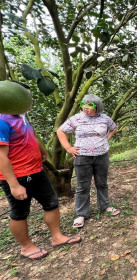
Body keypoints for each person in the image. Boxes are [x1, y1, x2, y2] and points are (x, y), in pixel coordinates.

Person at [0, 81, 81, 260]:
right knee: (19, 212)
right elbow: (1, 156)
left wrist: (42, 151)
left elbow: (29, 135)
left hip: (35, 170)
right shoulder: (1, 121)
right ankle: (26, 247)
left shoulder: (20, 115)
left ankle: (57, 237)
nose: (31, 100)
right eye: (27, 96)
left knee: (51, 203)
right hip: (18, 176)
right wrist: (13, 185)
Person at [57, 94, 119, 228]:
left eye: (90, 105)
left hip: (101, 156)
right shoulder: (77, 118)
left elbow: (114, 128)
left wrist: (105, 140)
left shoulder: (105, 118)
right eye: (84, 104)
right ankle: (81, 214)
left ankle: (105, 206)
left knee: (102, 183)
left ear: (98, 107)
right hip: (82, 157)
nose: (86, 107)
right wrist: (68, 148)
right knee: (82, 186)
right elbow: (60, 131)